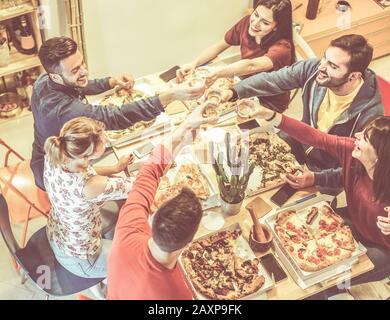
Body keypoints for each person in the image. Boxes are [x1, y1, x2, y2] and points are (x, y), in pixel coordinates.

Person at [244, 100, 390, 287]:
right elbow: (316, 138)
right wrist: (270, 115)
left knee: (328, 282)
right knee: (289, 249)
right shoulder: (353, 150)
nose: (356, 135)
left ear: (380, 155)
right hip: (352, 222)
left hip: (381, 248)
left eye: (365, 138)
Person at [31, 36, 205, 190]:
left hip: (52, 154)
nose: (84, 71)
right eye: (75, 70)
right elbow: (115, 116)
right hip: (52, 171)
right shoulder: (63, 111)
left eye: (82, 63)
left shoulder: (45, 79)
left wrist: (110, 82)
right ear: (55, 76)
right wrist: (169, 96)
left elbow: (77, 84)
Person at [220, 34, 384, 195]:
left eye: (333, 66)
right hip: (295, 140)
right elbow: (272, 80)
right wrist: (233, 91)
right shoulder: (314, 69)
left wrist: (316, 178)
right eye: (324, 58)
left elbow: (357, 169)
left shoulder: (371, 116)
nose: (321, 67)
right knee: (237, 171)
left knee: (277, 205)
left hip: (325, 171)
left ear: (354, 76)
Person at [107, 105, 218, 300]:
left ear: (153, 218)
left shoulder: (128, 229)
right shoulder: (177, 294)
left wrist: (184, 127)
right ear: (190, 242)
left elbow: (149, 171)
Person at [44, 117, 136, 281]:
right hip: (81, 258)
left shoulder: (57, 154)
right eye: (103, 141)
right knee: (138, 261)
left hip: (58, 232)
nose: (106, 142)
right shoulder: (89, 186)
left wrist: (115, 168)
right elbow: (138, 185)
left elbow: (87, 171)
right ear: (86, 156)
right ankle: (102, 286)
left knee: (119, 210)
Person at [176, 0, 294, 112]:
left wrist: (218, 73)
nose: (255, 23)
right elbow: (218, 46)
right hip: (243, 86)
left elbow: (251, 65)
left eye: (265, 22)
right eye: (256, 14)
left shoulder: (283, 48)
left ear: (276, 27)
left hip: (268, 100)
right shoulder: (246, 23)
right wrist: (194, 64)